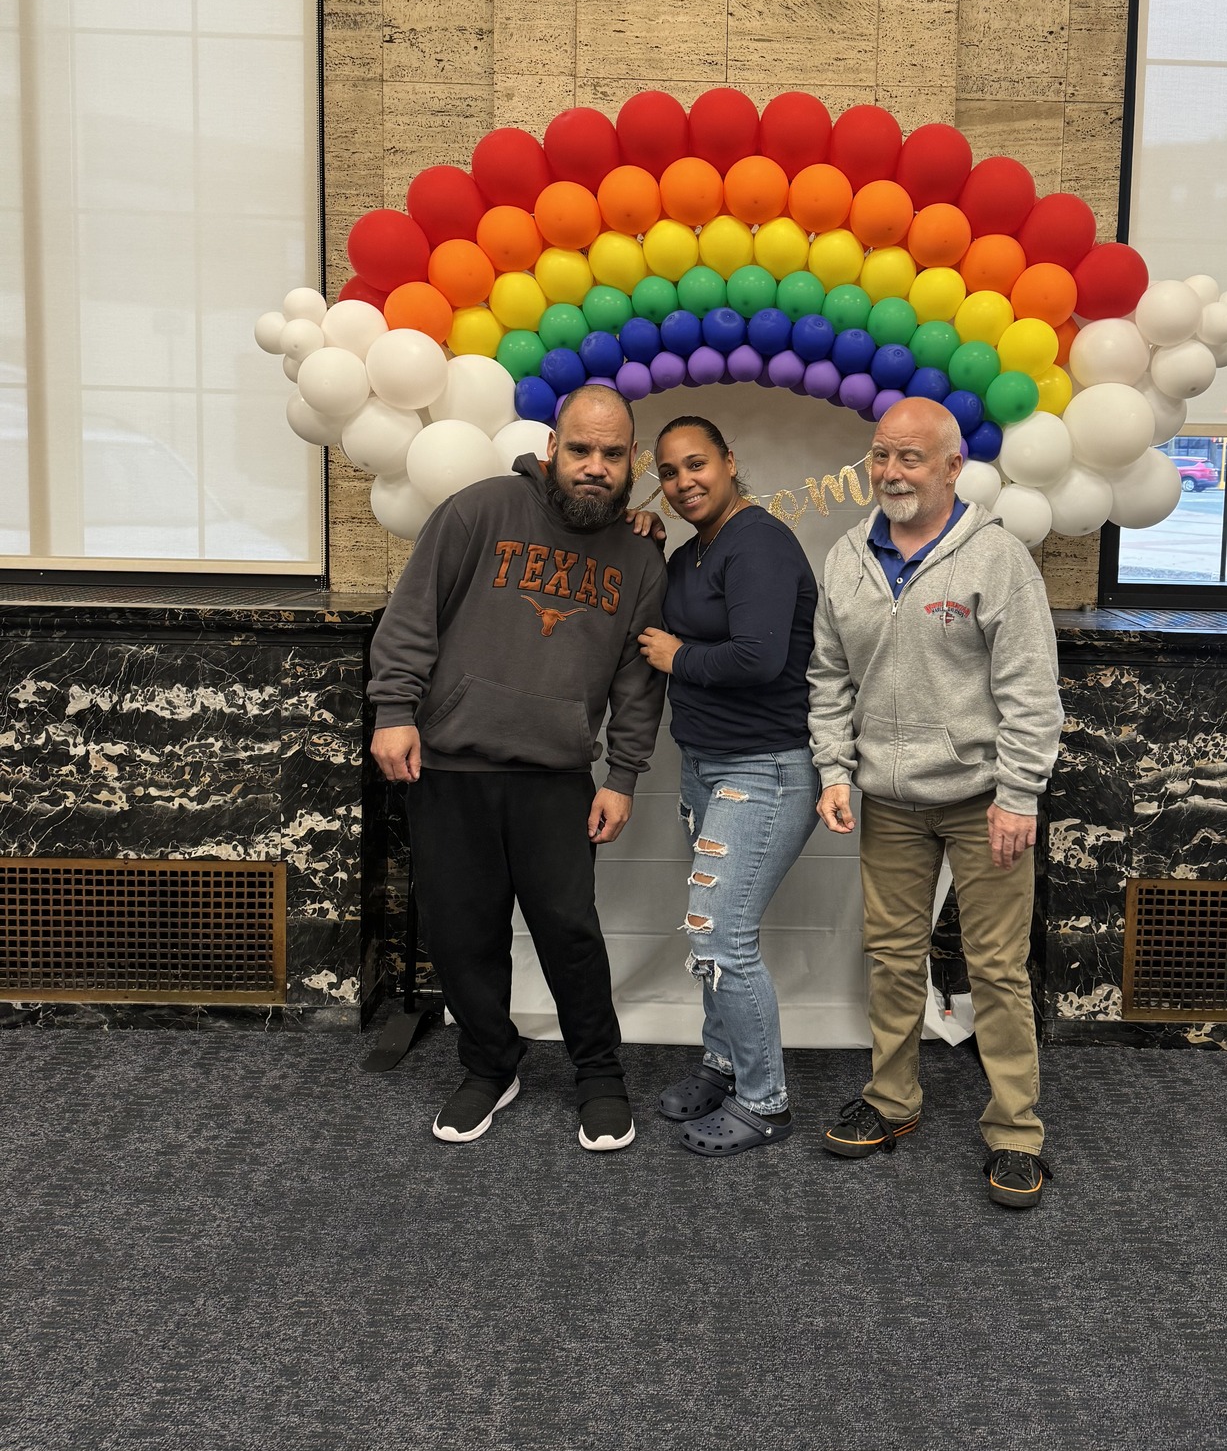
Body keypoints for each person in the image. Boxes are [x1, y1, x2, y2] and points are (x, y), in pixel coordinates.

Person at [368, 385, 666, 1154]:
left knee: (570, 934)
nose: (594, 466)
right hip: (449, 766)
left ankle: (598, 1074)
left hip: (555, 777)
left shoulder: (640, 557)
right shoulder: (479, 510)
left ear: (632, 462)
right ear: (551, 449)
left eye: (611, 454)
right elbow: (413, 613)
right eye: (581, 449)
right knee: (461, 932)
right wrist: (394, 708)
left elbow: (638, 683)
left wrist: (624, 776)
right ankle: (488, 1064)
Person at [807, 396, 1063, 1210]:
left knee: (996, 968)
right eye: (881, 455)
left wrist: (1018, 794)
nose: (891, 472)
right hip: (887, 800)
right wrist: (834, 771)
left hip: (984, 801)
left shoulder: (997, 559)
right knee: (890, 958)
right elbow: (828, 678)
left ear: (953, 467)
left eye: (910, 458)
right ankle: (892, 1101)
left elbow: (1031, 692)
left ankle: (1016, 1131)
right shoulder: (847, 557)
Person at [635, 416, 819, 1157]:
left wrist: (678, 658)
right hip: (704, 764)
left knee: (721, 935)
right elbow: (664, 605)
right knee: (709, 929)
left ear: (730, 462)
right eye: (669, 472)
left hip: (764, 768)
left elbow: (758, 659)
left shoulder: (759, 543)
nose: (684, 482)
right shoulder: (694, 552)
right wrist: (644, 541)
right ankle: (722, 1063)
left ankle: (765, 1100)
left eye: (696, 464)